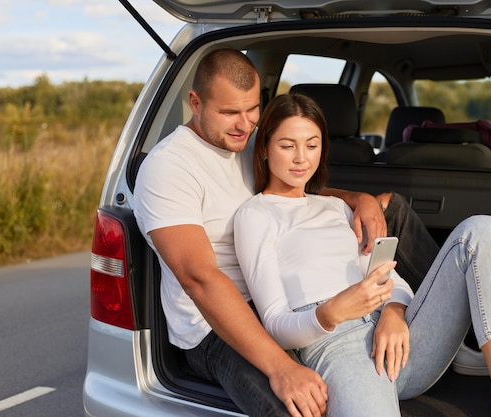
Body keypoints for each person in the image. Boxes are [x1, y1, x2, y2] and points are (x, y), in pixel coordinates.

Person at [132, 48, 439, 417]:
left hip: (282, 291)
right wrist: (281, 368)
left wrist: (358, 199)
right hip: (217, 319)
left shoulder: (249, 140)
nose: (244, 124)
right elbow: (201, 280)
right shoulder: (170, 168)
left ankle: (462, 346)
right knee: (298, 405)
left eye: (251, 109)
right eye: (229, 112)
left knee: (394, 212)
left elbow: (297, 192)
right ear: (195, 103)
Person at [233, 93, 491, 417]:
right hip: (338, 346)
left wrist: (394, 313)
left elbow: (387, 274)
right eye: (287, 145)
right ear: (265, 148)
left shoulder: (337, 206)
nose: (301, 158)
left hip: (400, 336)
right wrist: (333, 312)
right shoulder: (255, 216)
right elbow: (275, 324)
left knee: (482, 230)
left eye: (311, 145)